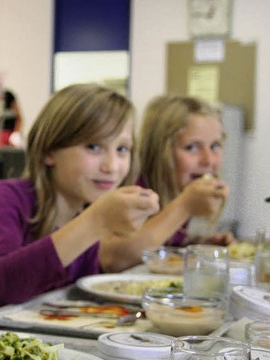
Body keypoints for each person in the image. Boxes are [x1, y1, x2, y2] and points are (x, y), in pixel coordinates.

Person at [0, 83, 160, 333]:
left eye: (122, 149)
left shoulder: (82, 212)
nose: (112, 166)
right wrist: (95, 222)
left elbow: (73, 300)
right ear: (50, 151)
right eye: (94, 147)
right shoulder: (4, 197)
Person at [98, 95, 233, 273]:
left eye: (215, 146)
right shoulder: (134, 190)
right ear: (161, 150)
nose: (208, 160)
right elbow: (115, 259)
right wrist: (184, 206)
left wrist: (194, 244)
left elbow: (156, 245)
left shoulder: (175, 189)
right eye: (192, 147)